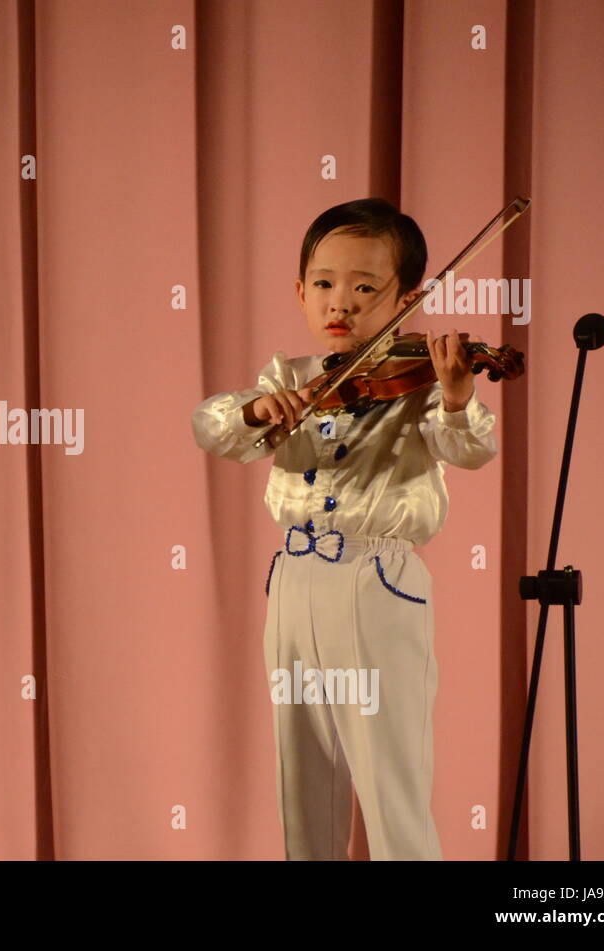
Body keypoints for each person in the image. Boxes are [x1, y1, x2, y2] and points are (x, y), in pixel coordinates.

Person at [191, 198, 498, 860]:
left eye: (366, 289)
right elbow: (212, 427)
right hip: (295, 580)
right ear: (300, 292)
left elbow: (469, 448)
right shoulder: (289, 378)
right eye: (325, 284)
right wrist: (254, 412)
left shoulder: (418, 382)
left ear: (407, 300)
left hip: (376, 579)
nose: (342, 304)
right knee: (301, 776)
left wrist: (454, 396)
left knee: (389, 779)